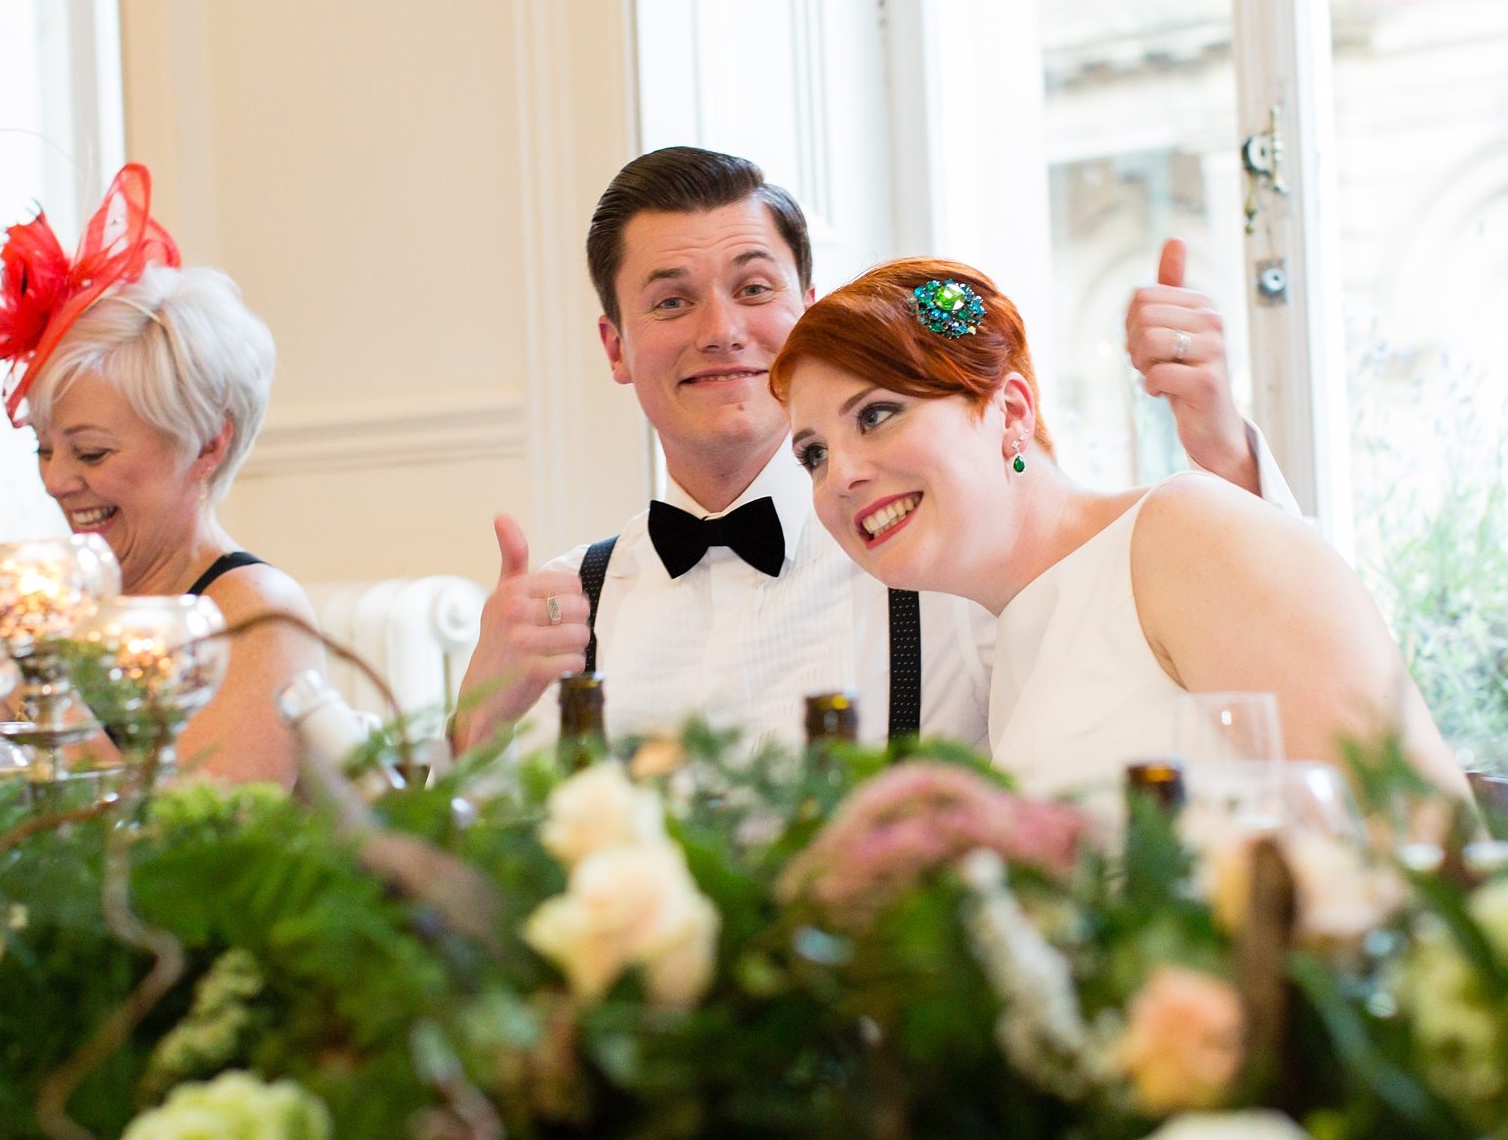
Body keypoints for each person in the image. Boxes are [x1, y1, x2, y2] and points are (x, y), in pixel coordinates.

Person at [450, 146, 1290, 756]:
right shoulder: (557, 617)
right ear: (615, 346)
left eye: (753, 288)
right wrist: (475, 720)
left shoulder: (950, 551)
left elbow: (1206, 664)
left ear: (807, 312)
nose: (722, 331)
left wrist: (1221, 449)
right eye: (672, 302)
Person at [773, 257, 1466, 795]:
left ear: (1011, 412)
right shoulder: (1016, 652)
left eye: (876, 414)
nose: (840, 475)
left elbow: (1418, 842)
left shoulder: (1180, 534)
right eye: (814, 454)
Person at [0, 165, 321, 787]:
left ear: (207, 444)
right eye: (44, 450)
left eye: (91, 454)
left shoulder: (257, 615)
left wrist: (23, 682)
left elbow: (192, 843)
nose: (57, 481)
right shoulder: (68, 615)